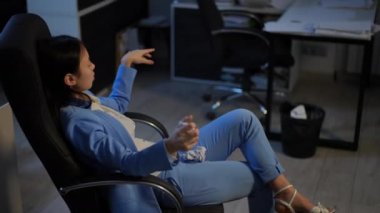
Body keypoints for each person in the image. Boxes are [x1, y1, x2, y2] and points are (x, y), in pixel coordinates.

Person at [37, 35, 335, 213]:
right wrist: (171, 145)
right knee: (260, 177)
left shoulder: (83, 99)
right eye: (87, 63)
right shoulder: (80, 125)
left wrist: (126, 65)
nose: (93, 65)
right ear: (69, 79)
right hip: (162, 177)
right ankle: (289, 199)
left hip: (168, 156)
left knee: (244, 119)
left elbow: (115, 108)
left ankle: (286, 196)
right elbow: (127, 164)